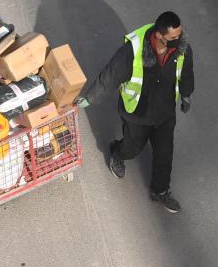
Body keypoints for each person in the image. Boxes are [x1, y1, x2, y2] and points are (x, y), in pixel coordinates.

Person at [77, 11, 193, 213]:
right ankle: (117, 153)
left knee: (164, 153)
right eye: (173, 37)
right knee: (132, 148)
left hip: (165, 113)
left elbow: (187, 71)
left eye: (179, 34)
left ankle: (161, 191)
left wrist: (185, 95)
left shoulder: (181, 48)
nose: (179, 39)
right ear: (159, 35)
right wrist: (89, 98)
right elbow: (111, 75)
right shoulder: (134, 49)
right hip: (137, 114)